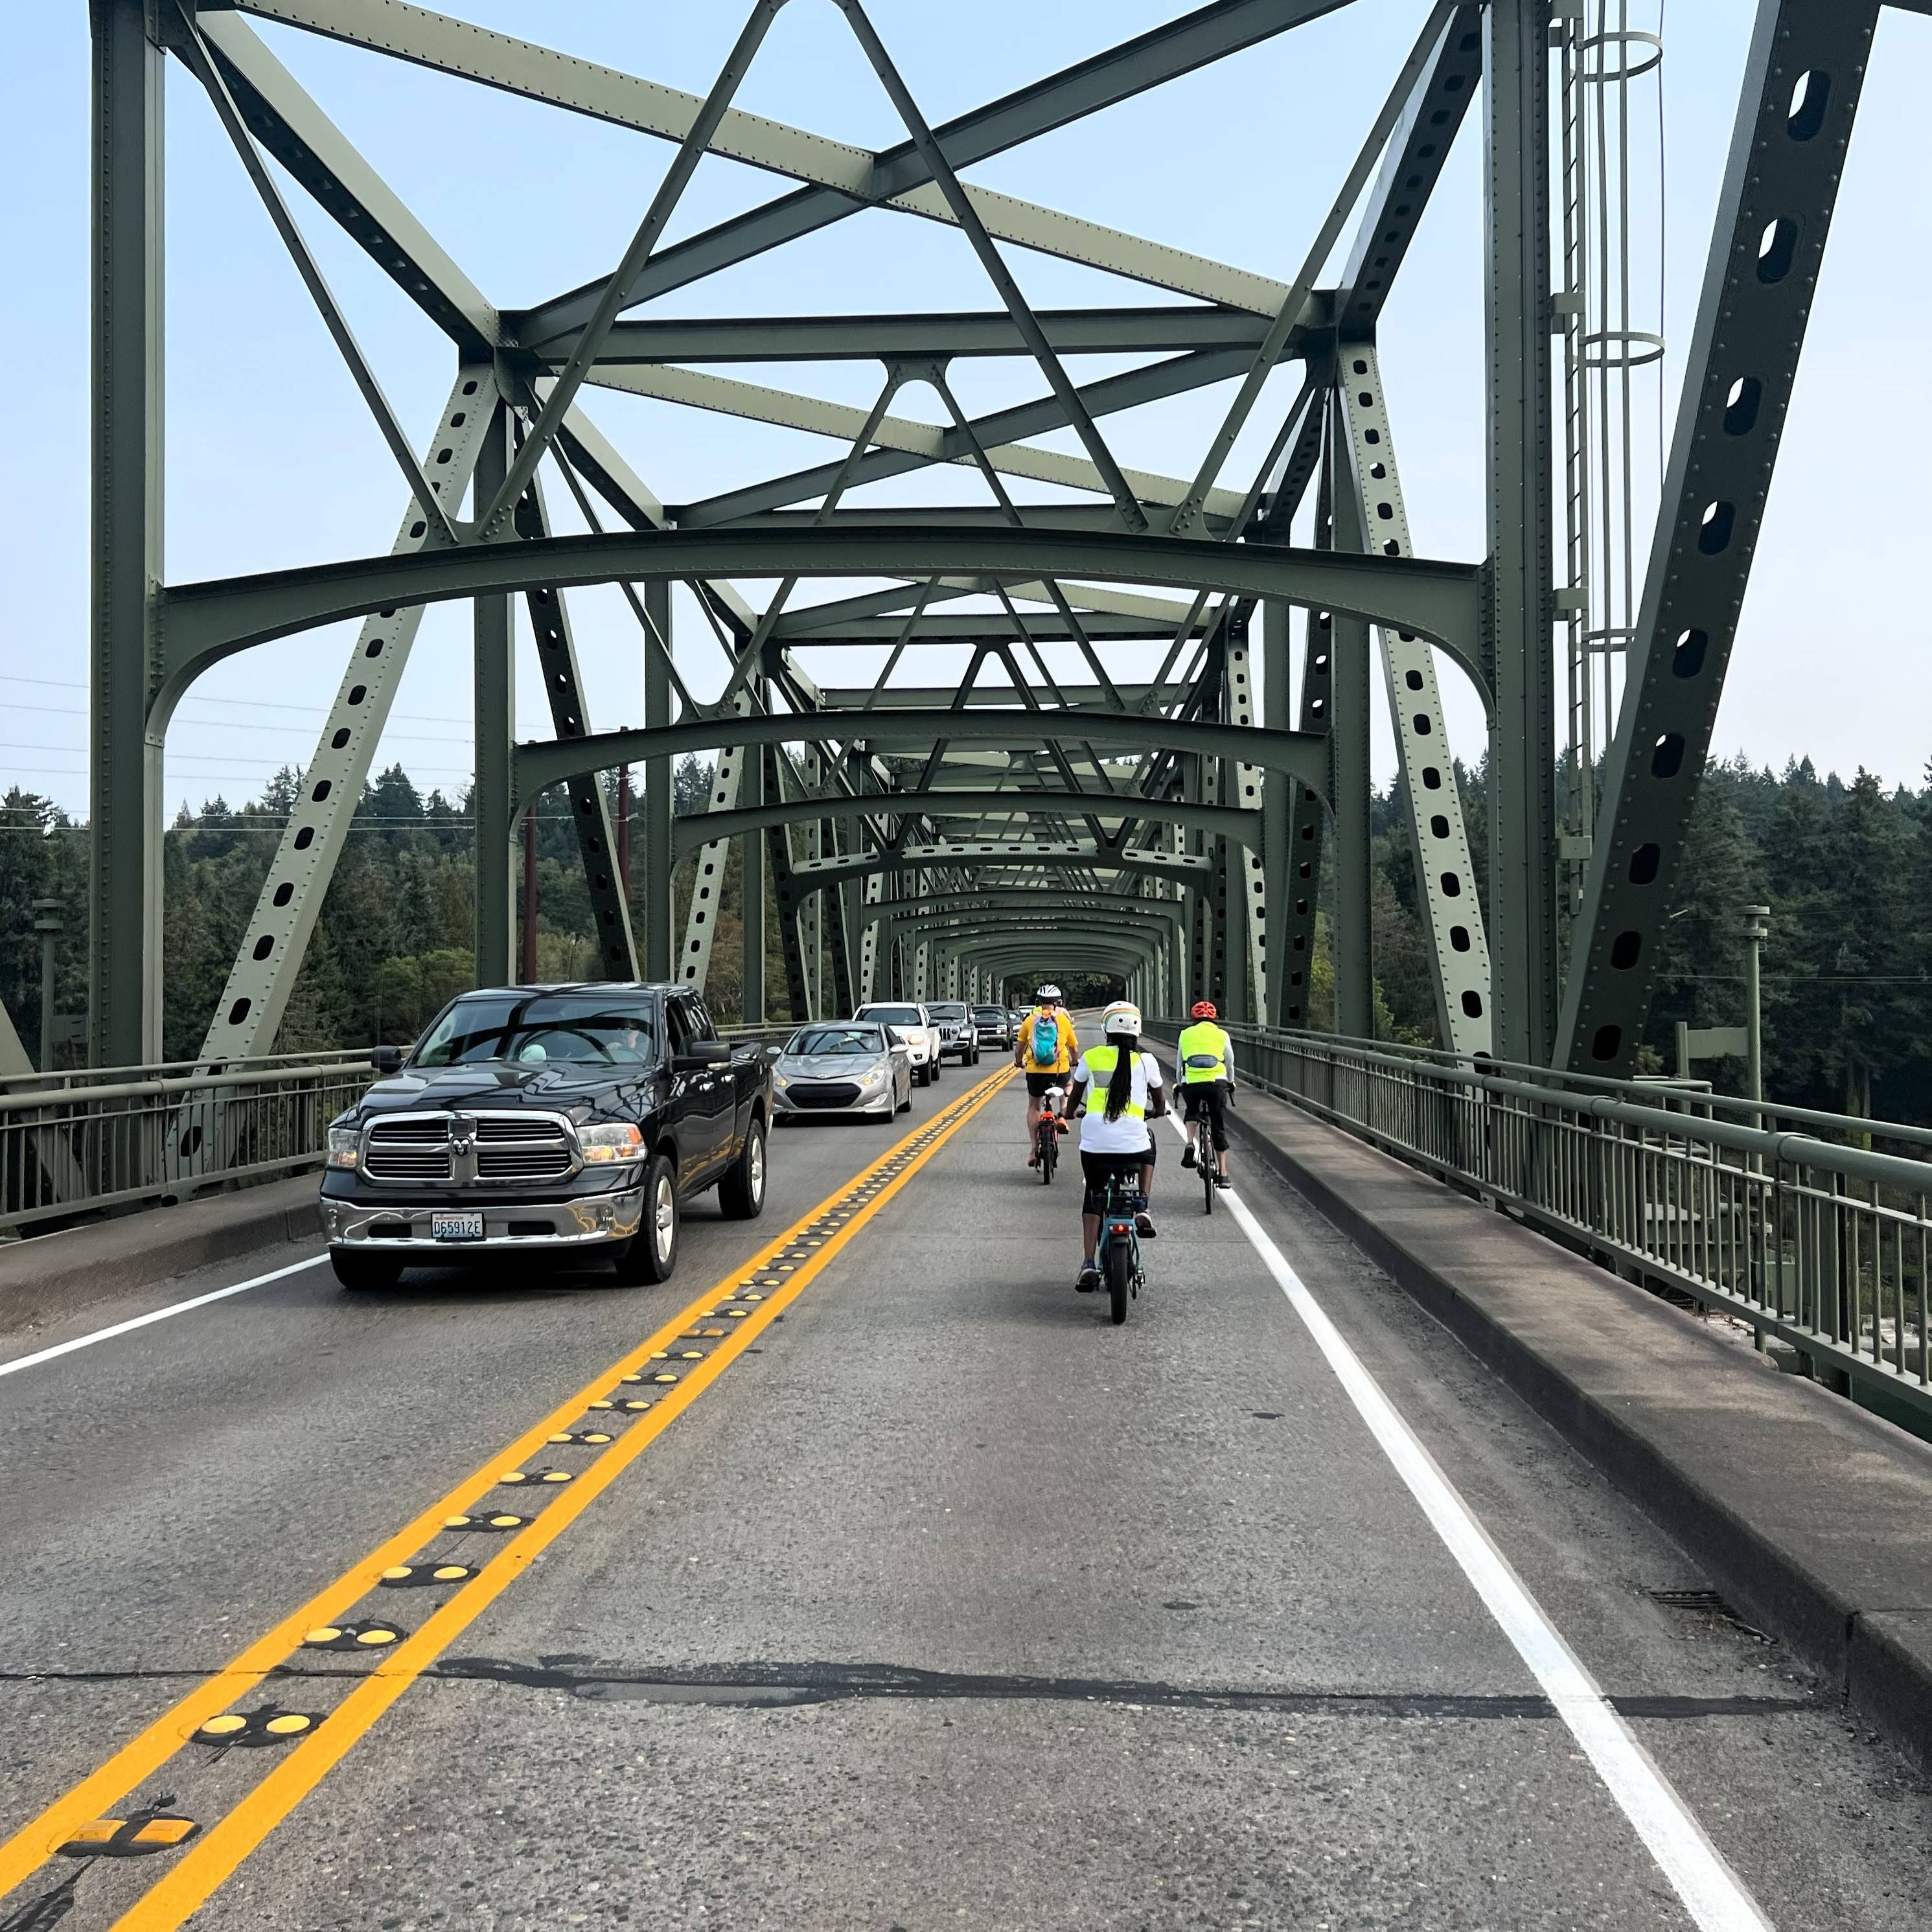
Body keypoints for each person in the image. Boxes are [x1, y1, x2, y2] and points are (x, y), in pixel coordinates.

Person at [1066, 1000, 1164, 1292]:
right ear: (1138, 1031)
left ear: (1105, 1029)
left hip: (1095, 1145)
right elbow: (1159, 1102)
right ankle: (1143, 1203)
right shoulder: (1147, 1062)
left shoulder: (1092, 1056)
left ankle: (1088, 1263)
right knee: (1150, 1144)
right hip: (1135, 1147)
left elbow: (1075, 1095)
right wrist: (1158, 1112)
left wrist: (1069, 1113)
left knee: (1093, 1196)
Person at [1015, 985, 1078, 1167]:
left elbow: (1020, 1048)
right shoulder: (1064, 1021)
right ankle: (1063, 1116)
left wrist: (1019, 1062)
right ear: (1058, 1003)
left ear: (1038, 1002)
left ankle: (1034, 1149)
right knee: (1068, 1086)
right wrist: (1075, 1061)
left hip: (1035, 1072)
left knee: (1035, 1106)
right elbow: (1073, 1047)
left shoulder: (1029, 1021)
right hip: (1059, 1070)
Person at [1176, 998, 1235, 1188]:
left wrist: (1179, 1084)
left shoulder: (1185, 1034)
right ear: (1215, 1018)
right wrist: (1231, 1082)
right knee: (1218, 1123)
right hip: (1216, 1083)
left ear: (1193, 1018)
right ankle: (1224, 1174)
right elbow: (1229, 1062)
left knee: (1192, 1111)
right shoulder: (1222, 1035)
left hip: (1191, 1082)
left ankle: (1190, 1143)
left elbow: (1179, 1065)